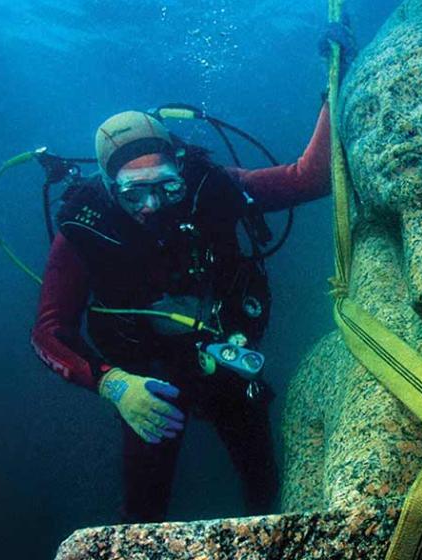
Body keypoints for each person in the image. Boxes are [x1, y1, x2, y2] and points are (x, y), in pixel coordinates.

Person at [30, 101, 330, 523]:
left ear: (181, 167)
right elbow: (48, 332)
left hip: (223, 358)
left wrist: (331, 91)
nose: (152, 204)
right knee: (142, 512)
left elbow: (309, 179)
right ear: (108, 183)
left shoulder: (212, 187)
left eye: (167, 187)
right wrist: (113, 384)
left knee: (264, 487)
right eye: (133, 192)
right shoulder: (86, 226)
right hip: (145, 381)